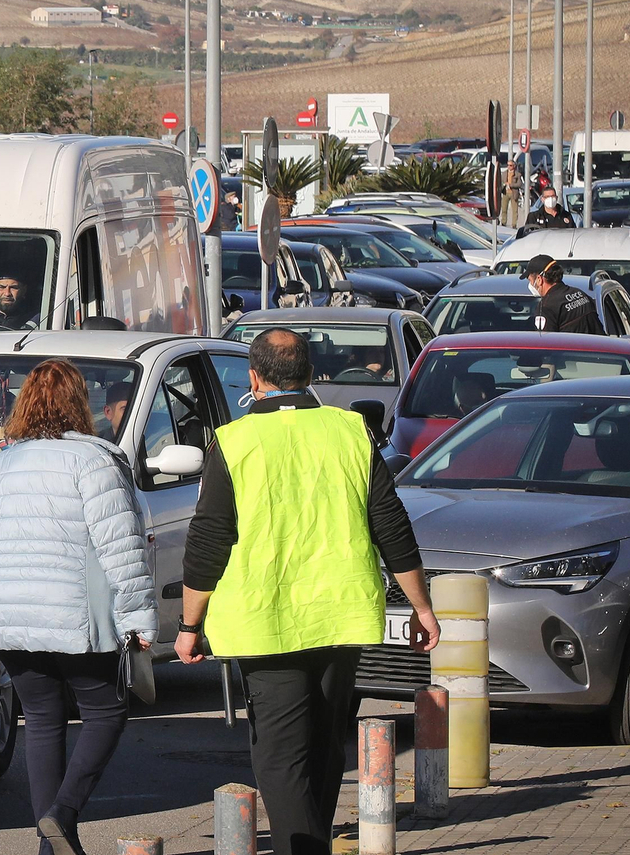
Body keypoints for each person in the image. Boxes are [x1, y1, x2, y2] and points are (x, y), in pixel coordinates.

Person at [176, 329, 440, 855]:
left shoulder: (234, 441)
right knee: (323, 745)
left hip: (264, 622)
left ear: (254, 378)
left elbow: (209, 541)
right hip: (340, 616)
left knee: (279, 756)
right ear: (310, 375)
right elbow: (391, 524)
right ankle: (312, 842)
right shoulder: (351, 431)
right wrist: (422, 608)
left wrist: (189, 626)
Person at [0, 360, 158, 855]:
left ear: (23, 405)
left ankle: (52, 847)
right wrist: (138, 619)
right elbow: (122, 548)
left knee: (43, 721)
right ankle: (63, 815)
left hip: (10, 624)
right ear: (80, 406)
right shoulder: (96, 463)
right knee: (107, 710)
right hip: (73, 619)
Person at [523, 254, 605, 335]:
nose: (530, 284)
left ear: (539, 279)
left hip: (572, 348)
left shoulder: (546, 307)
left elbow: (545, 343)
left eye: (530, 280)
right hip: (597, 346)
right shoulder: (580, 294)